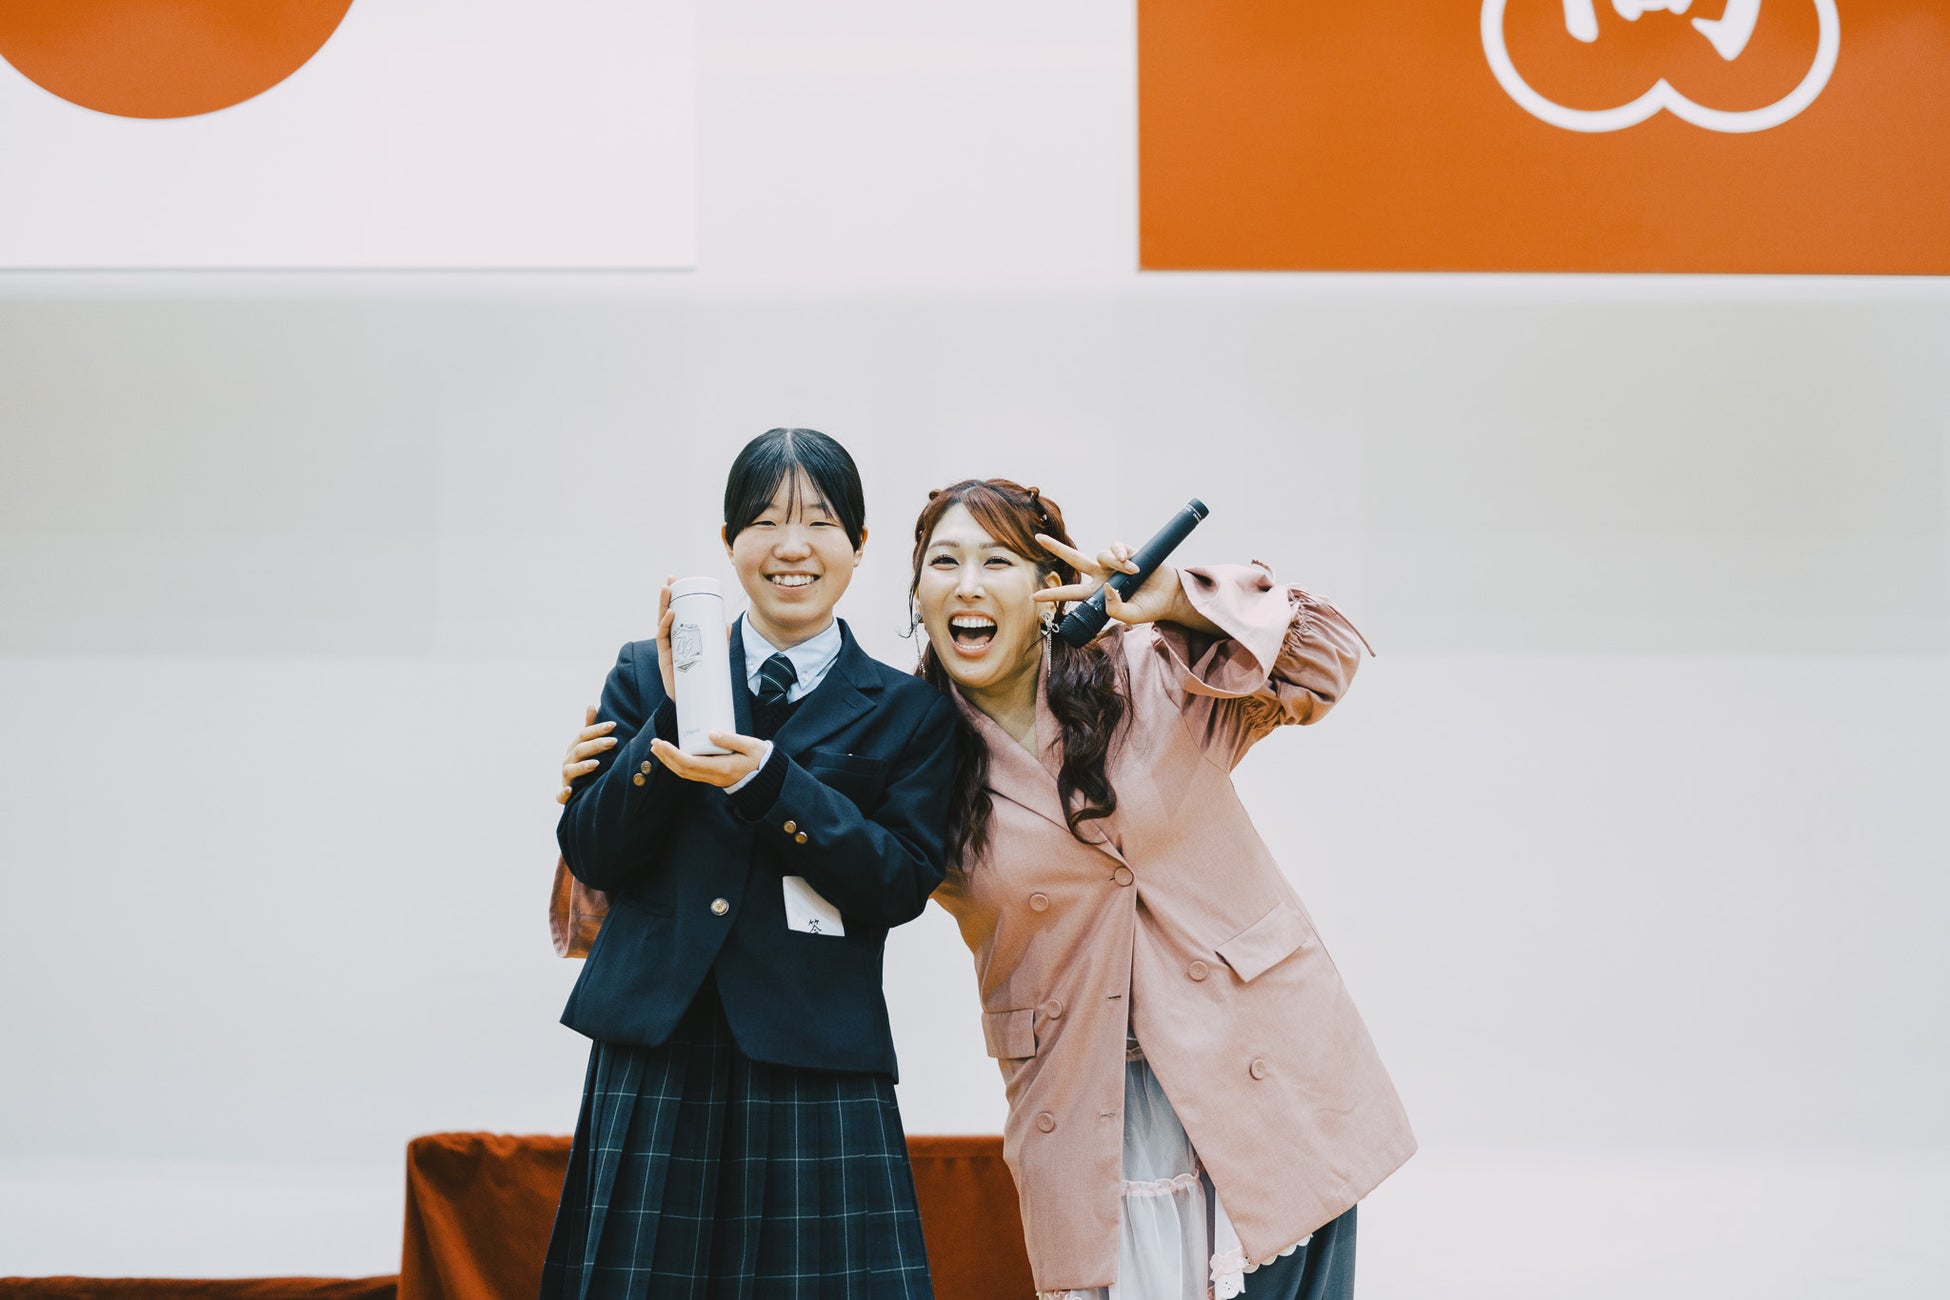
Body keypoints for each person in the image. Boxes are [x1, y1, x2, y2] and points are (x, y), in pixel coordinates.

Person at [909, 479, 1413, 1300]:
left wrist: (1176, 597)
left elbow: (1324, 657)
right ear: (919, 595)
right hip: (1086, 1117)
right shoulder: (912, 760)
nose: (968, 584)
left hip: (1266, 1080)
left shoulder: (1146, 672)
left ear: (1049, 585)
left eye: (997, 561)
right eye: (945, 563)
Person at [544, 428, 956, 1299]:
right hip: (659, 1042)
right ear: (730, 543)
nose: (791, 547)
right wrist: (672, 711)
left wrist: (774, 785)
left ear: (859, 545)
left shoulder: (910, 712)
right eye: (764, 522)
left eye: (819, 522)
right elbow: (593, 851)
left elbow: (898, 884)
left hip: (815, 1051)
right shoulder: (644, 672)